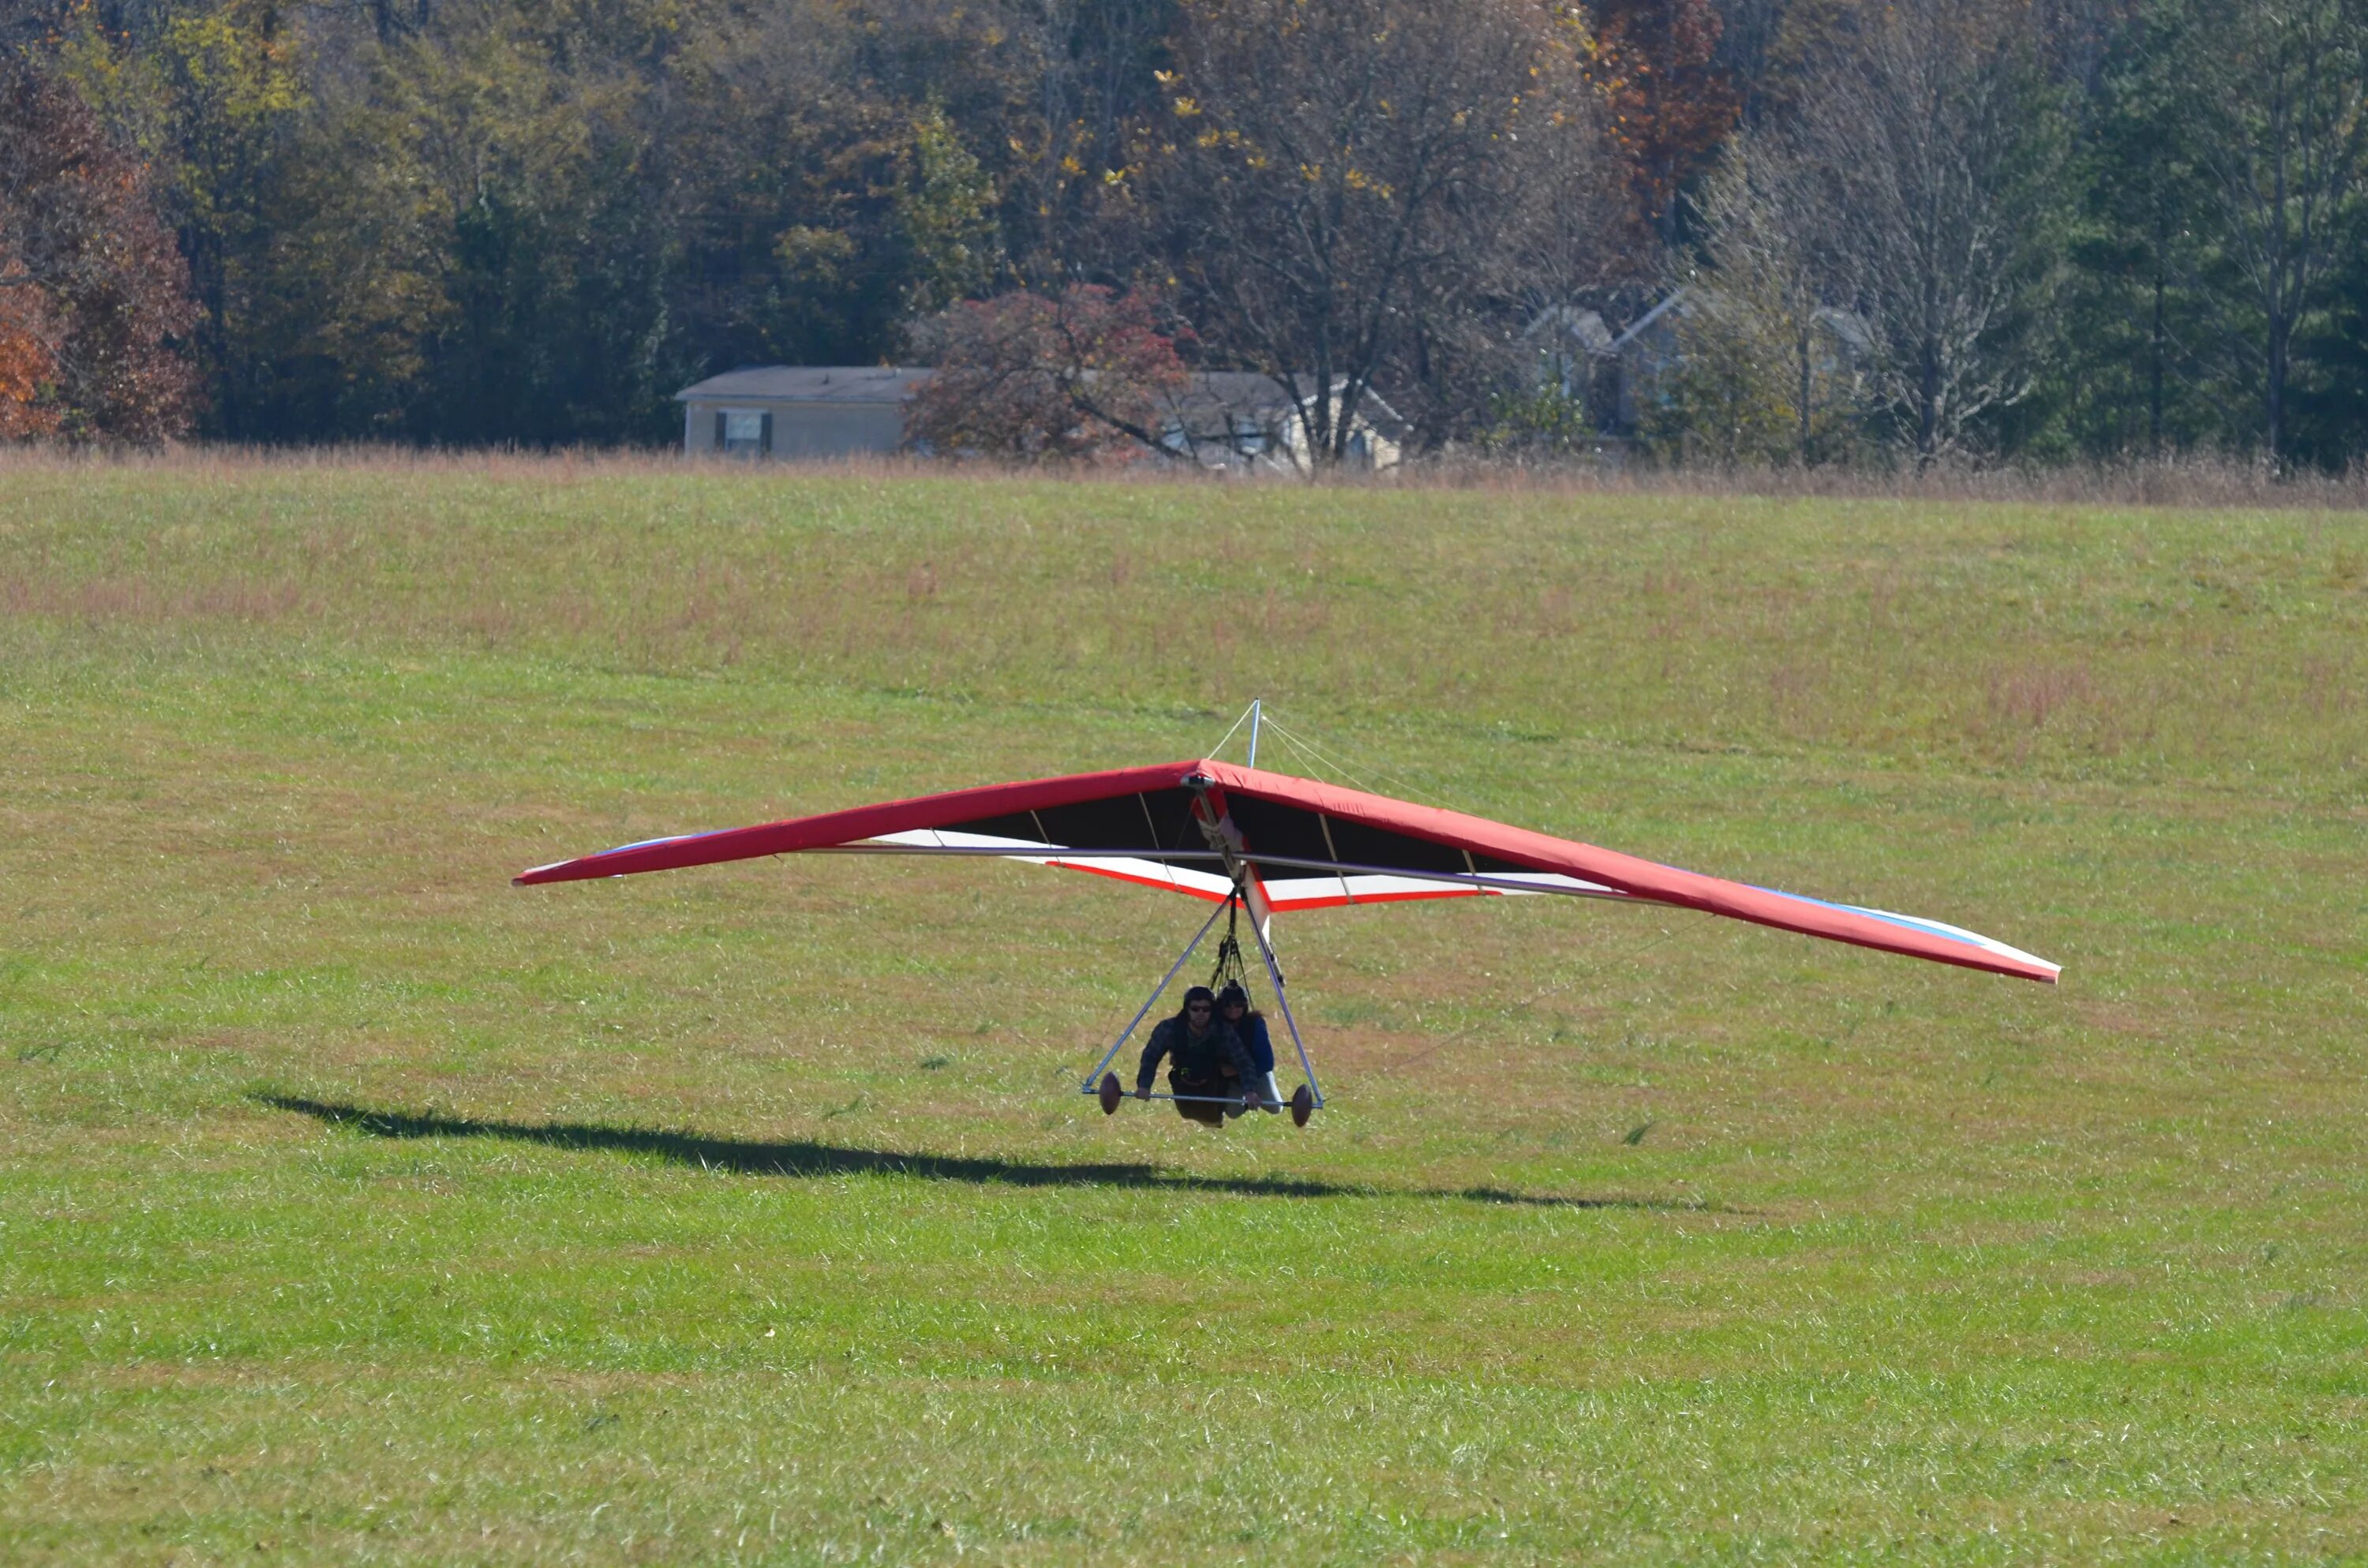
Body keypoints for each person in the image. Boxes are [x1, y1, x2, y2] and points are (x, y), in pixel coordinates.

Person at [1135, 985, 1259, 1125]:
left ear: (1212, 1011)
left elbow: (1243, 1061)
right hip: (1184, 1080)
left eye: (1206, 1009)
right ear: (1186, 1009)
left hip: (1213, 1081)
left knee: (1213, 1117)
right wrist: (1144, 1085)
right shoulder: (1168, 1028)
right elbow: (1151, 1057)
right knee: (1188, 1114)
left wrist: (1250, 1090)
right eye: (1195, 1009)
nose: (1200, 1013)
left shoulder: (1223, 1030)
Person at [1217, 981, 1282, 1113]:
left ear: (1245, 1005)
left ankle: (1255, 1096)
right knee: (1233, 1112)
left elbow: (1267, 1062)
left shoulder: (1255, 1024)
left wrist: (1238, 1070)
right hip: (1231, 1079)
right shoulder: (1216, 1025)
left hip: (1256, 1073)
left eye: (1238, 1005)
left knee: (1275, 1107)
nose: (1233, 1009)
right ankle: (1245, 1103)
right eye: (1227, 1005)